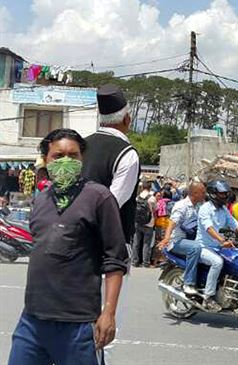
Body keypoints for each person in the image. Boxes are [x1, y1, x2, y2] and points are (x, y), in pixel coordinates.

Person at [8, 129, 128, 365]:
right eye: (58, 155)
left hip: (78, 324)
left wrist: (109, 313)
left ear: (82, 159)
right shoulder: (41, 199)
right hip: (33, 320)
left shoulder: (98, 197)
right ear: (46, 159)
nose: (66, 161)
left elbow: (115, 259)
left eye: (73, 156)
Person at [81, 84, 140, 364]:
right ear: (127, 119)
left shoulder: (80, 145)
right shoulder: (126, 153)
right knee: (103, 321)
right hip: (107, 247)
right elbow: (111, 204)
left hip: (74, 239)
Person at [197, 180, 238, 310]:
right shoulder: (205, 208)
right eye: (222, 194)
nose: (225, 196)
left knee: (237, 258)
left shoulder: (223, 210)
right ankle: (208, 297)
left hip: (219, 247)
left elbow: (235, 225)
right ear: (213, 194)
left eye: (226, 193)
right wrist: (222, 241)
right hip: (204, 247)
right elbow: (209, 228)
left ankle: (227, 291)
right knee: (217, 262)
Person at [157, 182, 206, 295]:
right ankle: (188, 283)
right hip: (177, 241)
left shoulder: (199, 206)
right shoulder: (181, 205)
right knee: (195, 248)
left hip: (191, 239)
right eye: (202, 192)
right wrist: (166, 238)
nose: (204, 194)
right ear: (194, 193)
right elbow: (172, 222)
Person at [132, 180, 157, 268]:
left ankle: (135, 261)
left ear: (142, 187)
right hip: (149, 223)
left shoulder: (137, 197)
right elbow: (155, 210)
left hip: (137, 222)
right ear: (150, 188)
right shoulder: (152, 198)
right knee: (146, 243)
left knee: (136, 242)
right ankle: (145, 262)